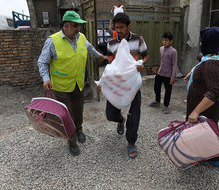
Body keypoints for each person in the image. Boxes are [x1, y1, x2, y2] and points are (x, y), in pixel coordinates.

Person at [37, 10, 104, 156]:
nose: (78, 28)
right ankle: (72, 141)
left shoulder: (81, 38)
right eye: (74, 26)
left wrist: (100, 56)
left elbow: (90, 48)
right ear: (66, 26)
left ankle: (79, 130)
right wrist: (45, 78)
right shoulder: (52, 41)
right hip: (61, 87)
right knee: (67, 115)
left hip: (78, 84)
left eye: (79, 25)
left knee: (78, 110)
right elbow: (42, 62)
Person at [186, 26, 219, 171]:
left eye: (203, 41)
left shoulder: (211, 64)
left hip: (205, 108)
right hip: (209, 107)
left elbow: (214, 92)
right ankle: (208, 156)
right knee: (207, 131)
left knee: (206, 132)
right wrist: (192, 74)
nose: (201, 44)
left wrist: (195, 112)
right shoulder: (218, 59)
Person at [104, 12, 149, 159]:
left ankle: (131, 142)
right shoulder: (111, 44)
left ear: (129, 26)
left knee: (134, 115)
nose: (119, 30)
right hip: (117, 85)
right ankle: (120, 120)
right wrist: (104, 81)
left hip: (133, 85)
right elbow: (110, 65)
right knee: (110, 114)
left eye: (122, 27)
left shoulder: (138, 39)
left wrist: (142, 63)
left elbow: (146, 55)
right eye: (116, 28)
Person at [149, 32, 178, 114]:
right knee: (156, 87)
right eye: (163, 40)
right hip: (160, 73)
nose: (164, 42)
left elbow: (174, 64)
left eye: (166, 40)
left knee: (168, 91)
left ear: (171, 41)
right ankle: (157, 101)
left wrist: (173, 77)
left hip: (168, 75)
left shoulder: (174, 52)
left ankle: (166, 105)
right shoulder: (161, 49)